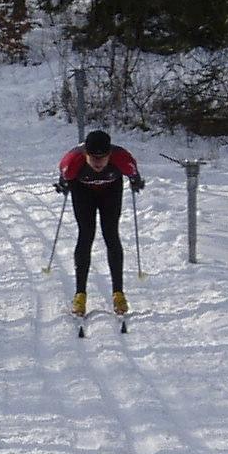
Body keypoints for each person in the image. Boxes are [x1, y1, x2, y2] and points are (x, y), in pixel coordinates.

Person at [55, 128, 143, 316]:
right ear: (85, 154)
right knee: (86, 235)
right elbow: (63, 176)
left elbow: (134, 174)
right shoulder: (72, 163)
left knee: (111, 234)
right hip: (83, 192)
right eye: (93, 159)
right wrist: (63, 185)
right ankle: (80, 295)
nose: (98, 163)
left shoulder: (122, 158)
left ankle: (118, 293)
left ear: (109, 155)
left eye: (102, 159)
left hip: (111, 192)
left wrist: (136, 181)